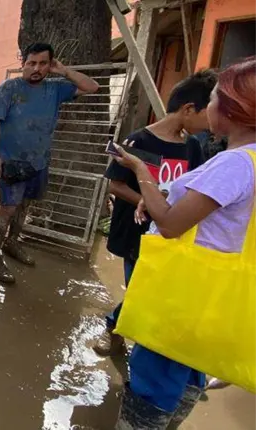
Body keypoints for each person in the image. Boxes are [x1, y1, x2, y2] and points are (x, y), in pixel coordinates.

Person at [110, 56, 256, 429]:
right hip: (211, 295)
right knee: (186, 369)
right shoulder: (246, 161)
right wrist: (160, 195)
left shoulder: (233, 164)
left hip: (183, 294)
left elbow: (173, 224)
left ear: (235, 110)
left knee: (153, 380)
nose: (209, 107)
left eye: (215, 99)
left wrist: (141, 172)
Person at [94, 71, 217, 356]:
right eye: (207, 115)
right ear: (188, 109)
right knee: (139, 289)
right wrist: (149, 202)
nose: (211, 124)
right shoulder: (138, 142)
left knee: (152, 291)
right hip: (137, 231)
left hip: (171, 233)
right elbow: (115, 184)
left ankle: (124, 331)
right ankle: (116, 330)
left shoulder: (193, 147)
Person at [0, 42, 99, 283]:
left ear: (50, 65)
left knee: (25, 205)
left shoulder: (55, 89)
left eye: (43, 63)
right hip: (11, 162)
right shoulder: (9, 89)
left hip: (38, 162)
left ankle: (12, 243)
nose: (36, 68)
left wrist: (65, 71)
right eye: (31, 63)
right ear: (23, 64)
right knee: (8, 208)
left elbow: (92, 87)